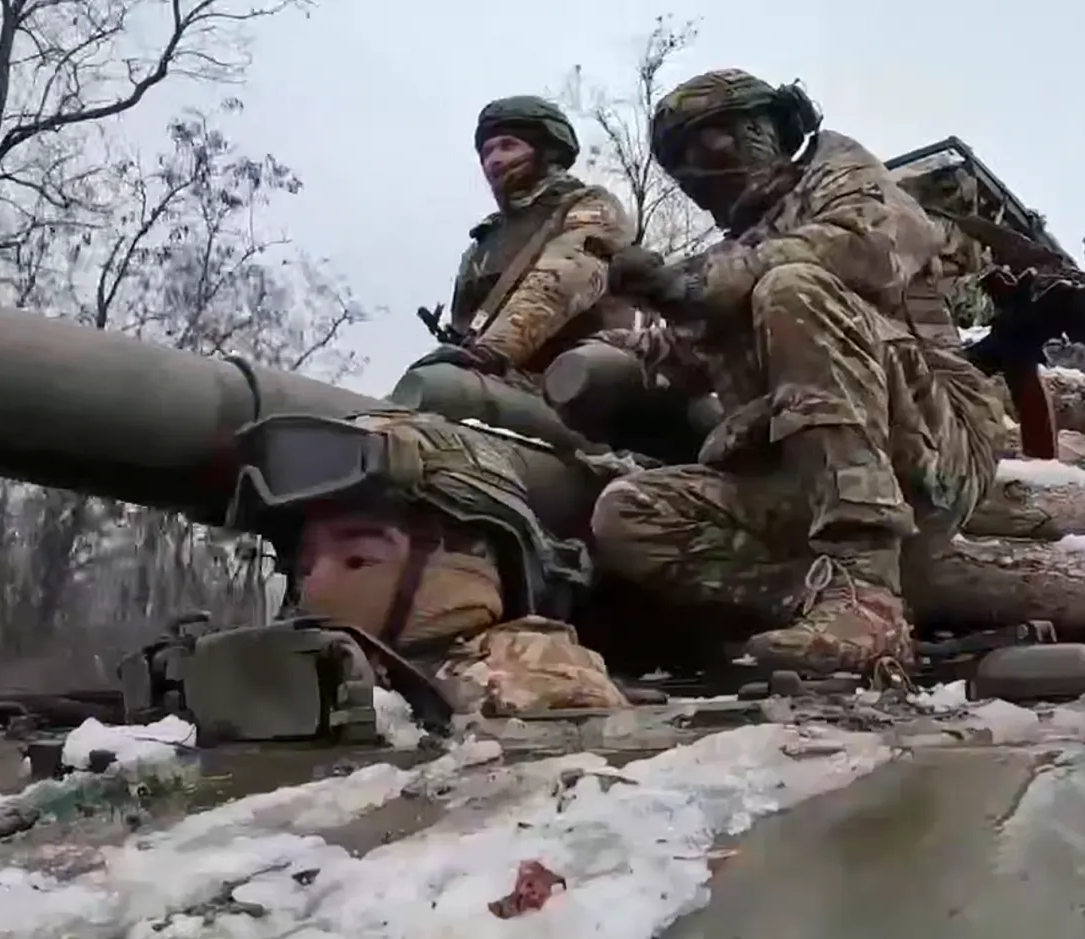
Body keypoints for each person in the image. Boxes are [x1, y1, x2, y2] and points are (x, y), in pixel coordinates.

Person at [587, 70, 1013, 676]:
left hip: (932, 452)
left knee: (792, 288)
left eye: (707, 141)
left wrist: (704, 282)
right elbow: (676, 355)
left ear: (767, 128)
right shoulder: (735, 254)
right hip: (802, 485)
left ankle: (866, 591)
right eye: (679, 160)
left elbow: (869, 247)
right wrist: (615, 328)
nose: (695, 170)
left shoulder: (841, 172)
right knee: (627, 511)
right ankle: (822, 599)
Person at [227, 409, 628, 718]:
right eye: (304, 568)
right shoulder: (307, 682)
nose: (312, 591)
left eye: (356, 559)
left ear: (466, 566)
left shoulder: (527, 684)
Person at [418, 97, 636, 385]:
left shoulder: (590, 207)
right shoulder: (485, 240)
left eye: (508, 146)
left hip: (579, 386)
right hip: (495, 382)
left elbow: (564, 276)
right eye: (486, 152)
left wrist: (492, 352)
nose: (494, 160)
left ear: (548, 151)